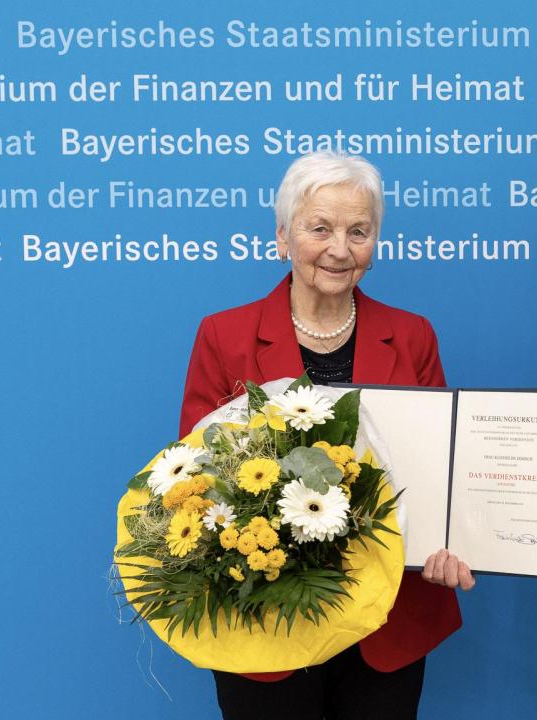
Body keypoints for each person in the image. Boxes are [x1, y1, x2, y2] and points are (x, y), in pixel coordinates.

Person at [180, 151, 475, 719]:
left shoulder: (412, 336)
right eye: (321, 228)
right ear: (283, 236)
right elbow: (197, 482)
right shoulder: (224, 335)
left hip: (386, 623)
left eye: (359, 231)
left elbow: (439, 474)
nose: (341, 249)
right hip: (263, 624)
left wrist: (452, 539)